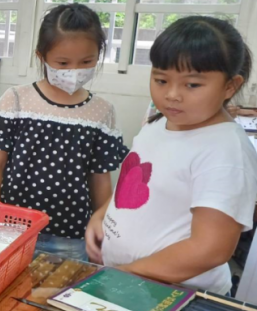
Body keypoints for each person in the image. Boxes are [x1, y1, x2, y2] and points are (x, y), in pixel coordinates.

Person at [87, 16, 257, 295]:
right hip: (127, 282)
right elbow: (135, 185)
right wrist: (101, 216)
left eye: (192, 85)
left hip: (174, 294)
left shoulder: (226, 152)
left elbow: (209, 250)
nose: (172, 95)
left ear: (230, 86)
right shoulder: (157, 124)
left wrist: (124, 274)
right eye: (161, 79)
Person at [0, 3, 127, 261]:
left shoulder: (101, 111)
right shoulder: (16, 100)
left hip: (72, 235)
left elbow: (100, 180)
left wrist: (103, 228)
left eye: (86, 62)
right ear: (41, 57)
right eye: (63, 63)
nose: (73, 71)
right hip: (15, 229)